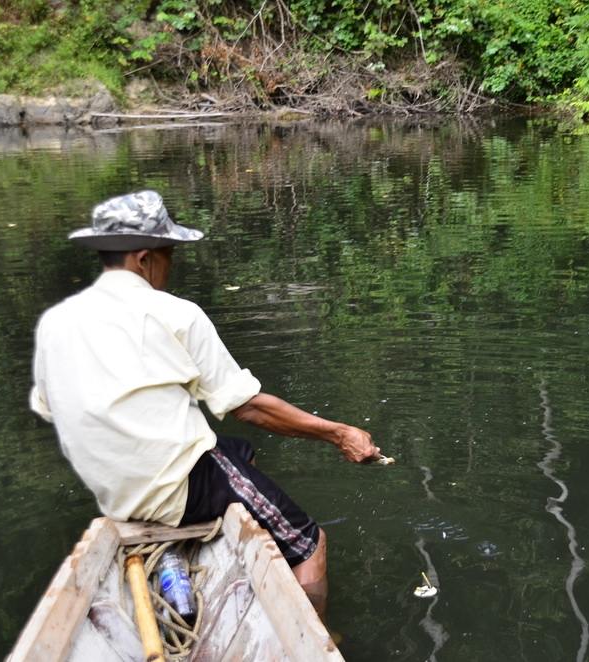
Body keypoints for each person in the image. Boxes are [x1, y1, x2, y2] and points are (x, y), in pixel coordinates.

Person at [29, 190, 380, 620]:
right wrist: (339, 433)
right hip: (173, 488)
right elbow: (249, 407)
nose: (170, 266)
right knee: (309, 543)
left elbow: (53, 407)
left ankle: (172, 546)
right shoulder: (174, 313)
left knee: (238, 453)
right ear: (143, 259)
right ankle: (314, 634)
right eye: (168, 254)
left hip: (114, 493)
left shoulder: (56, 323)